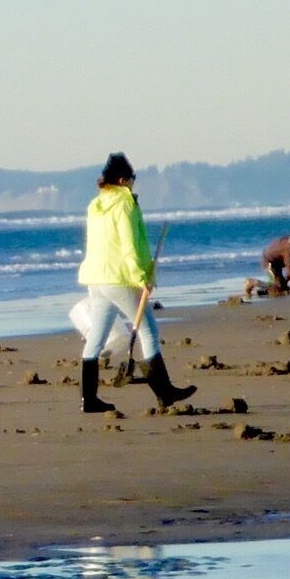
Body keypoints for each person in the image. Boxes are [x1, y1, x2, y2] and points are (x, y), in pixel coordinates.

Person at [72, 152, 194, 415]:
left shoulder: (96, 204)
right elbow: (129, 245)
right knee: (149, 330)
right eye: (132, 178)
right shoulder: (125, 203)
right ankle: (165, 393)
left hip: (97, 278)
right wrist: (141, 277)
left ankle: (88, 400)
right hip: (119, 278)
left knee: (96, 337)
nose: (133, 183)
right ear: (122, 179)